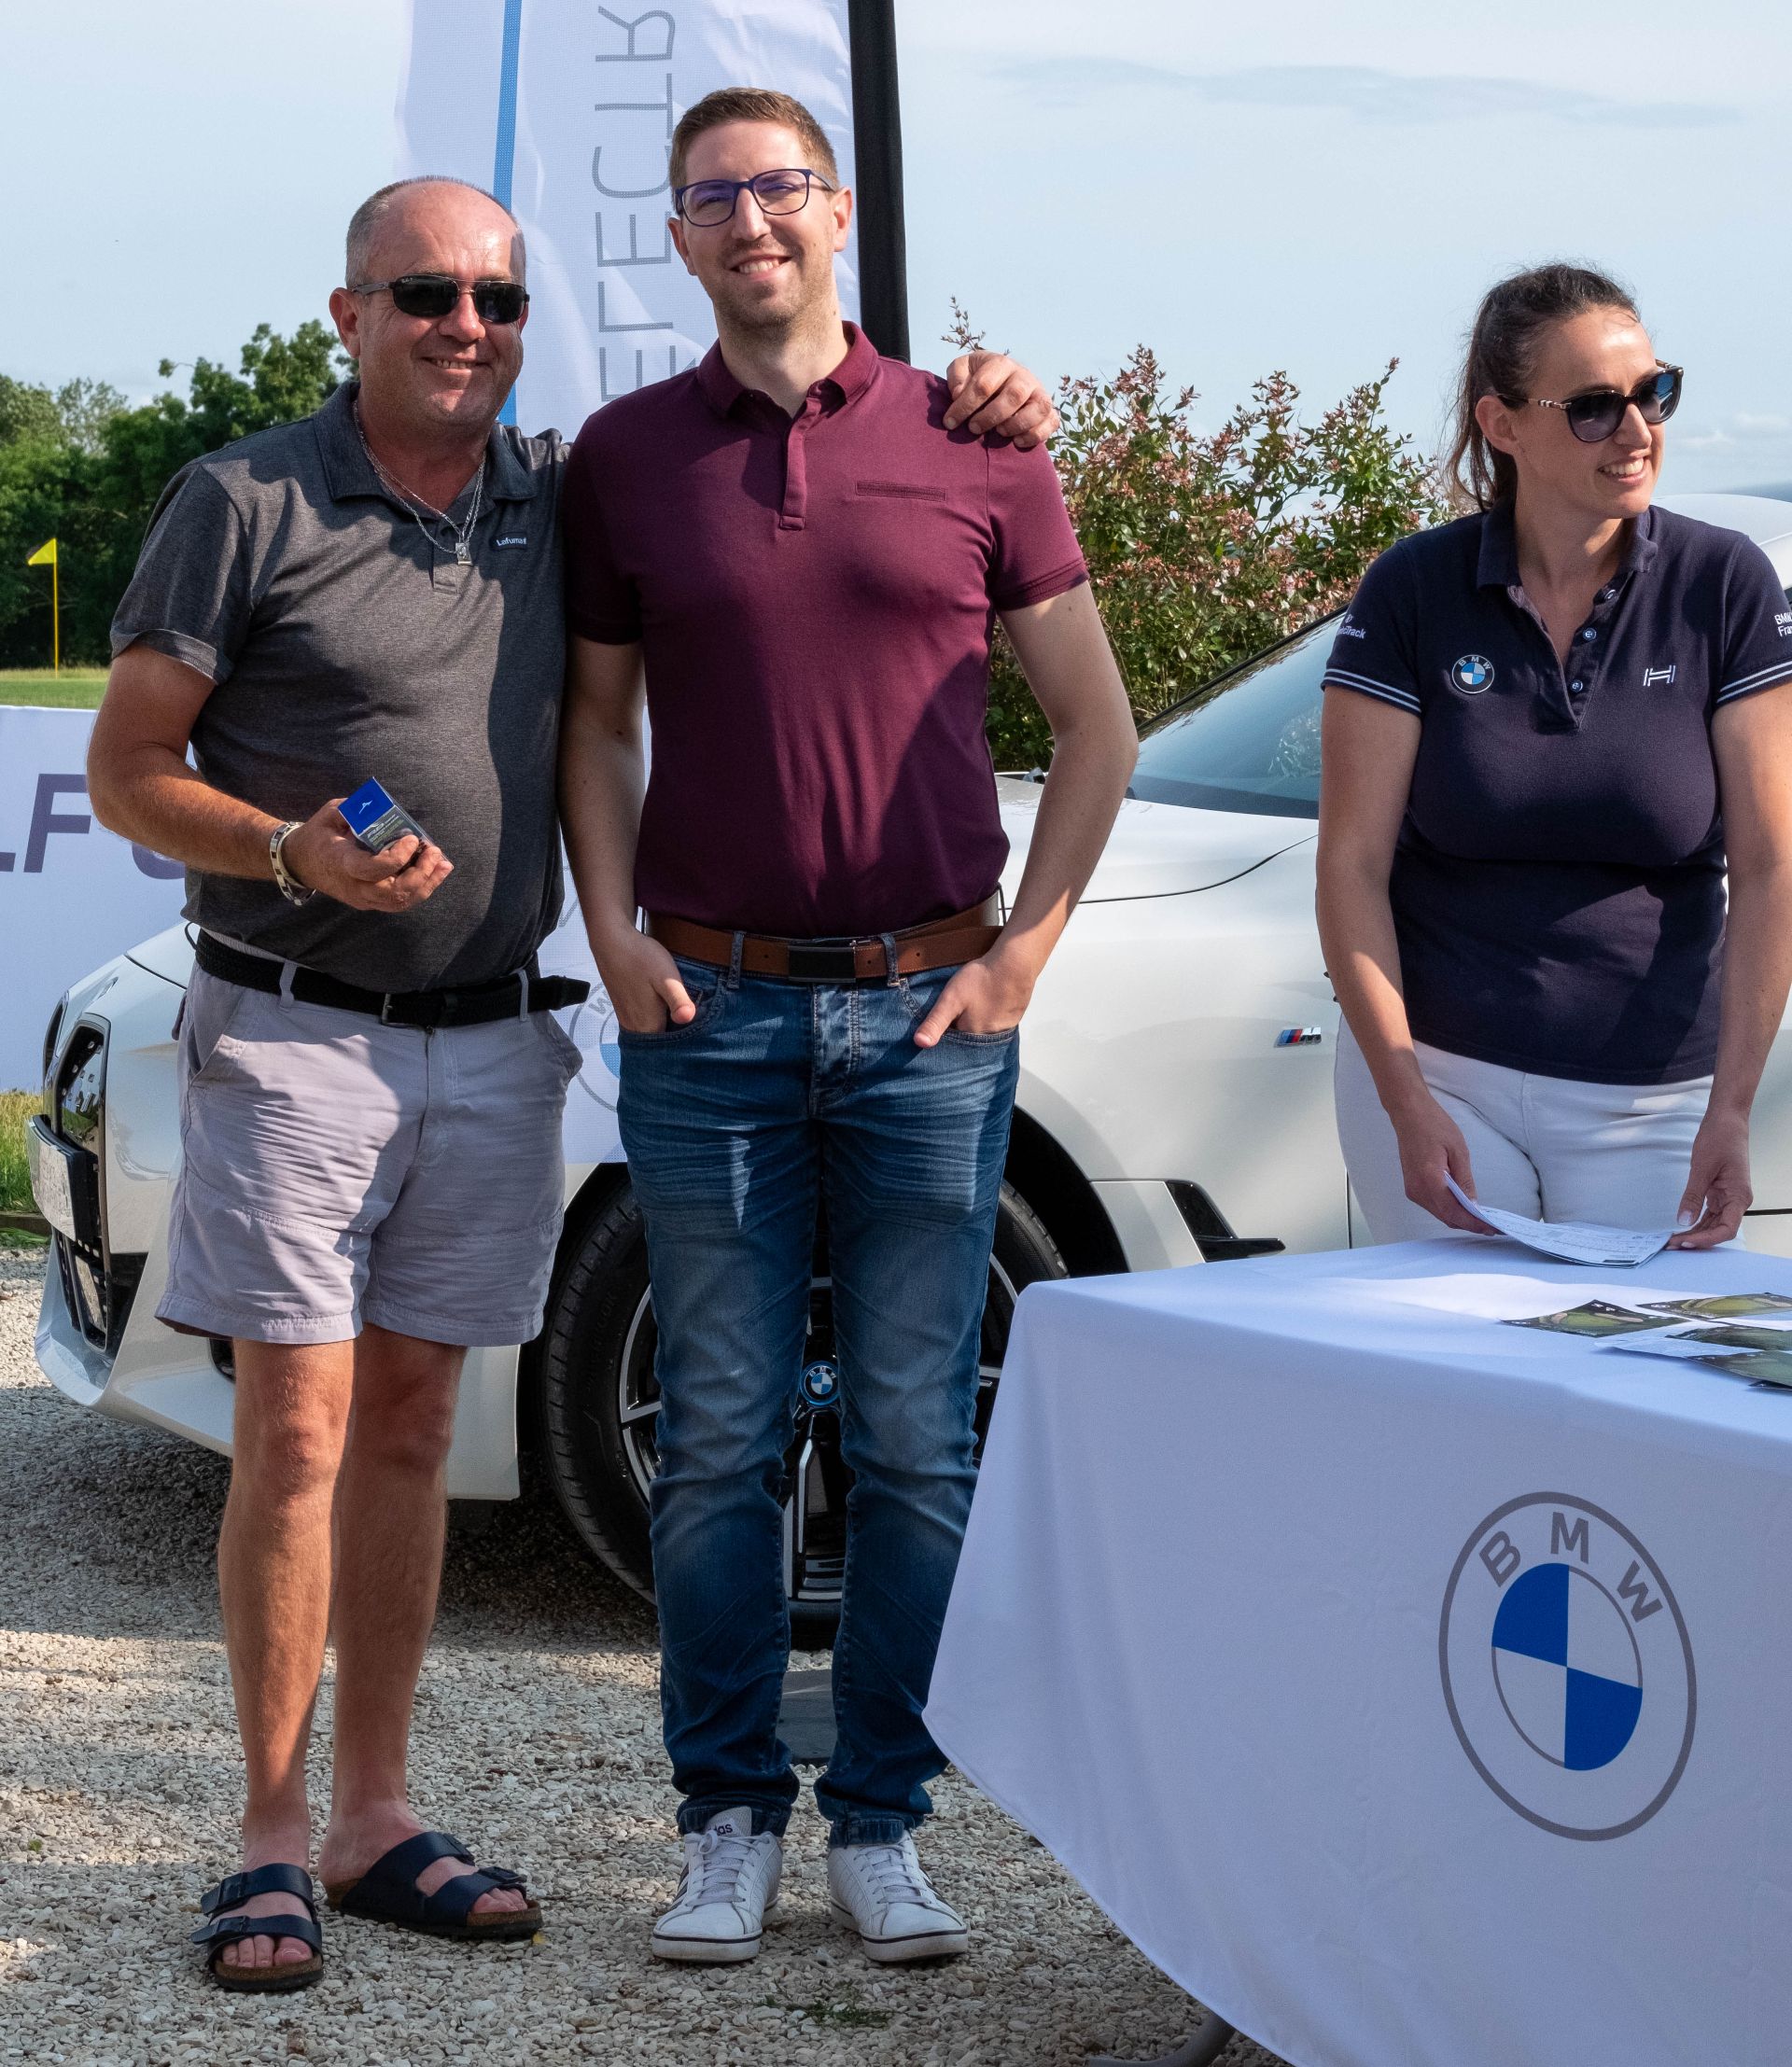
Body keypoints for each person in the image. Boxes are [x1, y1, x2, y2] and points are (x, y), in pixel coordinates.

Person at [86, 170, 1064, 1992]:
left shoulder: (564, 490)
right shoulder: (243, 499)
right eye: (424, 296)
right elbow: (128, 765)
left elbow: (765, 479)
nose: (466, 328)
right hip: (295, 1026)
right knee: (294, 1436)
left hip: (493, 1034)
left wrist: (989, 393)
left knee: (409, 1432)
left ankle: (375, 1817)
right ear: (348, 315)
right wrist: (290, 847)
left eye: (499, 300)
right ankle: (273, 1835)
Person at [557, 87, 1137, 1967]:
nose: (752, 220)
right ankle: (725, 1818)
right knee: (719, 1436)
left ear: (838, 210)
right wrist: (610, 931)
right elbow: (596, 726)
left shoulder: (978, 440)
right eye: (713, 196)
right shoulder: (626, 459)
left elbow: (1099, 727)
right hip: (706, 1008)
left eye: (781, 187)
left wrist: (1026, 954)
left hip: (930, 1015)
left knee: (914, 1440)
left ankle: (883, 1822)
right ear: (679, 234)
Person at [1317, 262, 1792, 1250]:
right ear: (1502, 425)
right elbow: (1350, 866)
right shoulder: (1413, 589)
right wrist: (1403, 1097)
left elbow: (1770, 867)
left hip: (1653, 1107)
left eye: (1654, 392)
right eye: (1593, 408)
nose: (1637, 430)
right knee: (1462, 1353)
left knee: (1645, 1353)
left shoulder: (1725, 585)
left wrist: (1734, 1109)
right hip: (1441, 1078)